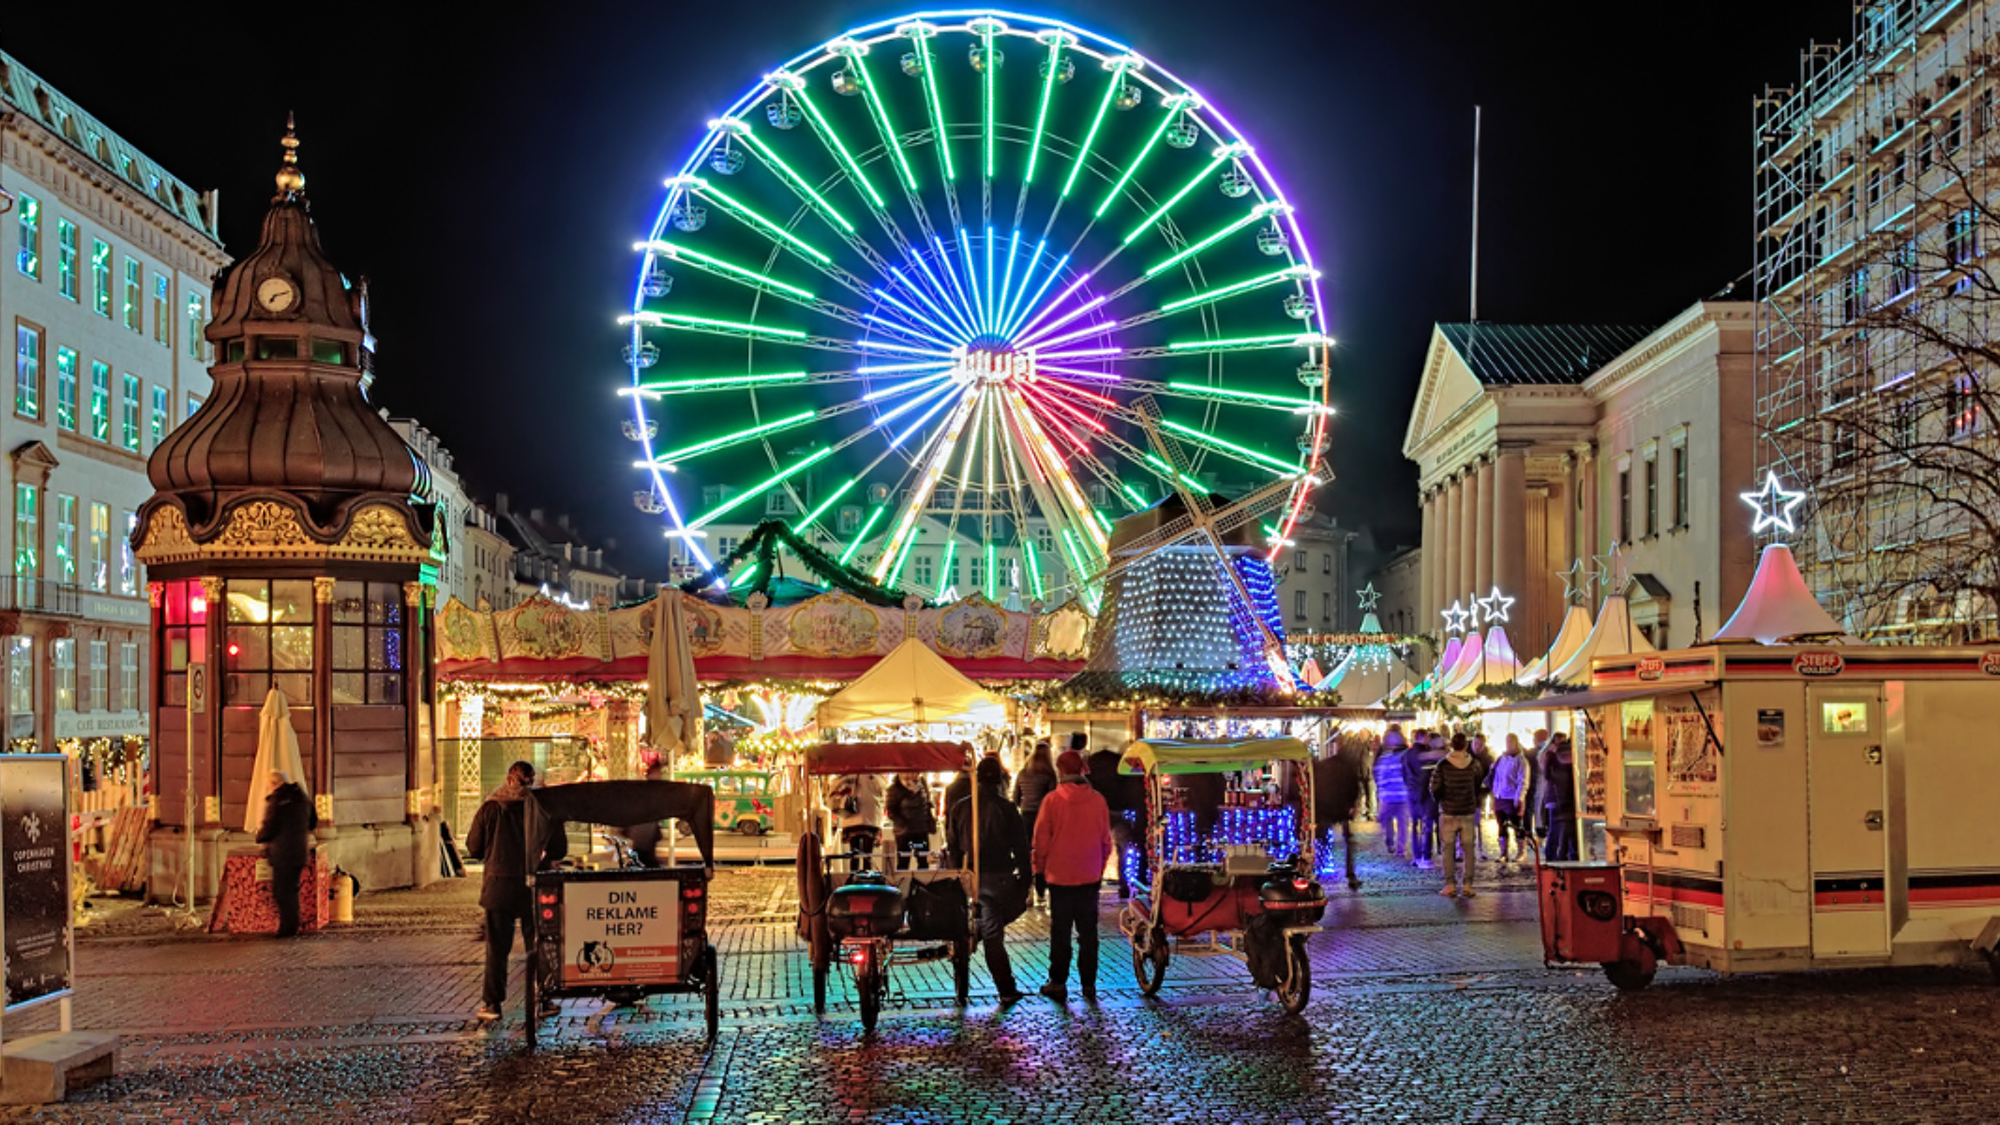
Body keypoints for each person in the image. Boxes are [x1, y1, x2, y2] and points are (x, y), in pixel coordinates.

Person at [465, 761, 566, 1020]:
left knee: (497, 949)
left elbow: (474, 848)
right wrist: (543, 860)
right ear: (532, 781)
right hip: (533, 886)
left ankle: (492, 1004)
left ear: (509, 780)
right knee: (540, 943)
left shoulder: (490, 808)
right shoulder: (542, 808)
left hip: (498, 886)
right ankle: (545, 999)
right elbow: (559, 849)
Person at [948, 756, 1033, 1001]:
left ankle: (979, 933)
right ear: (999, 780)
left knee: (990, 925)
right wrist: (1026, 880)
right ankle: (1005, 988)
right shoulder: (1007, 809)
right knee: (993, 933)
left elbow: (952, 845)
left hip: (971, 876)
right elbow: (1021, 848)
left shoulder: (960, 808)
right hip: (999, 877)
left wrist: (957, 874)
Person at [1032, 750, 1113, 1002]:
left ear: (1060, 770)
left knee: (1061, 932)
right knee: (1088, 933)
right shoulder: (1098, 800)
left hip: (1059, 876)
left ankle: (1058, 981)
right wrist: (1098, 868)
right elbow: (1106, 842)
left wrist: (1038, 870)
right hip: (1089, 876)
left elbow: (1041, 841)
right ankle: (1088, 984)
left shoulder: (1052, 801)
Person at [255, 770, 316, 938]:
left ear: (273, 784)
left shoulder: (278, 801)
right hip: (299, 851)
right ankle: (292, 925)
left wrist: (259, 836)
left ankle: (287, 928)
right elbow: (313, 821)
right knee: (291, 890)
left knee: (282, 891)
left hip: (283, 853)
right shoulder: (302, 798)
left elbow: (270, 826)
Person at [1431, 734, 1485, 898]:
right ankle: (1467, 885)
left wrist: (1440, 801)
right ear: (1466, 746)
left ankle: (1450, 885)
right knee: (1468, 849)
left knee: (1448, 849)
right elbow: (1478, 784)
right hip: (1467, 811)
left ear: (1451, 745)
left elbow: (1434, 787)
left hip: (1448, 811)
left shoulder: (1443, 765)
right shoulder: (1474, 764)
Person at [1316, 737, 1365, 890]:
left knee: (1322, 839)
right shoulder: (1349, 765)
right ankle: (1350, 874)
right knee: (1348, 841)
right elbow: (1355, 786)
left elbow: (1319, 785)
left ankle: (1319, 869)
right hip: (1343, 807)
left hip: (1326, 807)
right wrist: (1353, 804)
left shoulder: (1326, 764)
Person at [1013, 742, 1059, 907]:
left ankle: (1027, 891)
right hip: (1043, 817)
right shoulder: (1049, 774)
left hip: (1025, 817)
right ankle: (1041, 890)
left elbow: (1015, 798)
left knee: (1026, 854)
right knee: (1042, 853)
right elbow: (1053, 798)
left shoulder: (1023, 773)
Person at [1403, 731, 1447, 868]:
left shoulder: (1407, 754)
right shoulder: (1426, 755)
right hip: (1425, 793)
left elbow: (1404, 773)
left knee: (1415, 825)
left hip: (1412, 792)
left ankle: (1416, 856)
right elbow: (1428, 774)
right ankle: (1425, 857)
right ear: (1423, 738)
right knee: (1427, 825)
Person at [827, 772, 885, 869]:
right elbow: (882, 789)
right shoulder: (875, 774)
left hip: (854, 816)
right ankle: (865, 875)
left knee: (855, 855)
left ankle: (854, 875)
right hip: (869, 816)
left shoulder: (847, 773)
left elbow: (834, 790)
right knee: (867, 855)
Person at [1490, 733, 1532, 863]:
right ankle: (1503, 853)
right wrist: (1495, 794)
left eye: (1511, 742)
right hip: (1500, 796)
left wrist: (1519, 797)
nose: (1508, 745)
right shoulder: (1502, 759)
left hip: (1512, 797)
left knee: (1517, 825)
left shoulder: (1521, 761)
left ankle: (1521, 852)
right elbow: (1497, 778)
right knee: (1501, 825)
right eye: (1507, 742)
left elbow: (1523, 780)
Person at [885, 772, 936, 871]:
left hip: (921, 831)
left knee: (923, 860)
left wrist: (930, 820)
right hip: (904, 833)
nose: (914, 775)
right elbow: (891, 810)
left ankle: (922, 881)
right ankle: (903, 881)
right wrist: (902, 823)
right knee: (904, 861)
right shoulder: (895, 788)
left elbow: (927, 803)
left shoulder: (922, 784)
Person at [1542, 734, 1580, 862]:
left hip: (1557, 799)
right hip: (1563, 800)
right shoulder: (1557, 760)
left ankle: (1556, 856)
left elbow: (1547, 775)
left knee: (1559, 831)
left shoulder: (1552, 758)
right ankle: (1561, 856)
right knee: (1562, 831)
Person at [1373, 732, 1410, 858]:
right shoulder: (1405, 757)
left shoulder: (1384, 759)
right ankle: (1401, 849)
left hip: (1389, 795)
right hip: (1402, 794)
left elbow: (1379, 776)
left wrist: (1381, 790)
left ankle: (1391, 843)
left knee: (1386, 820)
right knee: (1402, 824)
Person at [625, 759, 666, 867]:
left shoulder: (650, 793)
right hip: (643, 844)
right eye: (658, 773)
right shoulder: (646, 794)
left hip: (644, 845)